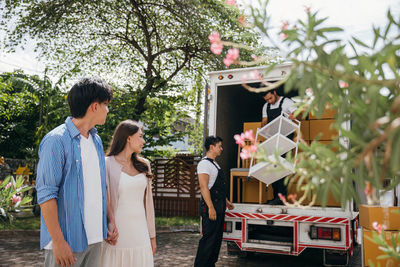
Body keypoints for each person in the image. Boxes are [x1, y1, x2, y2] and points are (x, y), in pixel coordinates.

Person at [36, 78, 115, 267]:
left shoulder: (96, 140)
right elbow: (46, 194)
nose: (108, 110)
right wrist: (58, 241)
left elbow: (101, 185)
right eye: (106, 105)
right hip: (67, 242)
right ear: (94, 107)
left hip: (96, 238)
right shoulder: (55, 141)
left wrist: (110, 221)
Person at [102, 120, 156, 267]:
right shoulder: (106, 163)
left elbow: (149, 204)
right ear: (128, 138)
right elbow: (103, 199)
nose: (143, 141)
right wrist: (105, 227)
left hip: (140, 231)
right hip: (117, 230)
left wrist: (152, 236)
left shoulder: (144, 164)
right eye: (140, 136)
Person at [194, 136, 234, 267]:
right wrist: (211, 207)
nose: (221, 149)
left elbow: (217, 186)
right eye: (219, 146)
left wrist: (226, 201)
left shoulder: (215, 164)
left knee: (216, 240)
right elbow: (204, 187)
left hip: (220, 205)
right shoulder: (204, 164)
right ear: (212, 147)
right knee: (208, 240)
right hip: (211, 207)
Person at [261, 89, 297, 205]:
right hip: (272, 140)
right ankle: (275, 196)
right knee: (272, 168)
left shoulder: (286, 102)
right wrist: (264, 127)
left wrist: (294, 116)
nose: (269, 101)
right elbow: (264, 121)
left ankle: (282, 197)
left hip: (285, 140)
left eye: (270, 98)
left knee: (282, 168)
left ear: (274, 92)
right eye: (266, 100)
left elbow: (299, 114)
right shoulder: (266, 106)